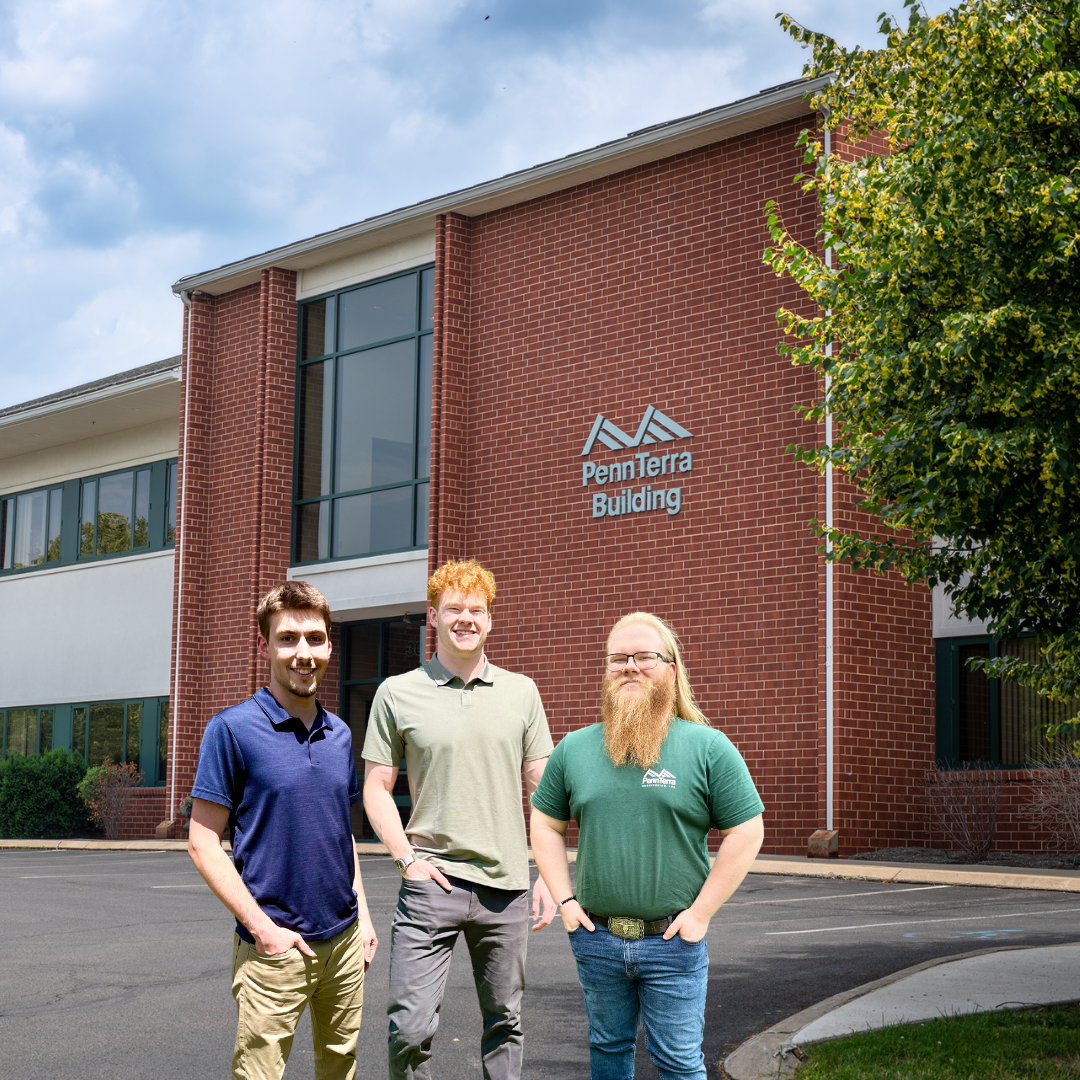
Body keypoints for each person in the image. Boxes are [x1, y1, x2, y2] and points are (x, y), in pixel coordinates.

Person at [530, 611, 764, 1080]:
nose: (630, 666)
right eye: (618, 658)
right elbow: (545, 823)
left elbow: (747, 829)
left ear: (671, 671)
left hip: (672, 943)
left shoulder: (708, 746)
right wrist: (566, 901)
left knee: (678, 1064)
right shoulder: (574, 749)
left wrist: (700, 914)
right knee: (608, 1054)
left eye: (645, 657)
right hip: (595, 939)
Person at [362, 558, 557, 1080]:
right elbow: (376, 788)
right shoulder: (397, 693)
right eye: (454, 608)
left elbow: (546, 791)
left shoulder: (522, 692)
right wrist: (407, 860)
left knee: (506, 1024)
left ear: (490, 619)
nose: (465, 618)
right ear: (433, 615)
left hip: (508, 886)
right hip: (432, 883)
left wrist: (551, 876)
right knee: (409, 1028)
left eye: (476, 609)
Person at [188, 580, 377, 1080]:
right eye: (288, 638)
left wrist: (365, 917)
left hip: (343, 941)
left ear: (329, 645)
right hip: (274, 950)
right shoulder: (231, 729)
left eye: (314, 638)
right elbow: (202, 841)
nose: (303, 653)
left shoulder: (339, 735)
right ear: (264, 645)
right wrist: (263, 931)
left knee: (340, 1070)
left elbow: (342, 834)